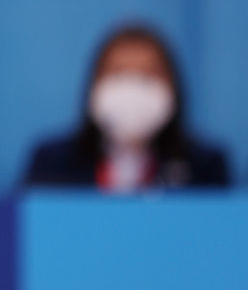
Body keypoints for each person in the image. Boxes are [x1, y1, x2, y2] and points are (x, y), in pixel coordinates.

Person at [25, 23, 229, 191]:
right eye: (119, 74)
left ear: (173, 87)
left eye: (148, 75)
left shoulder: (204, 166)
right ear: (94, 85)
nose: (132, 88)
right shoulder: (52, 163)